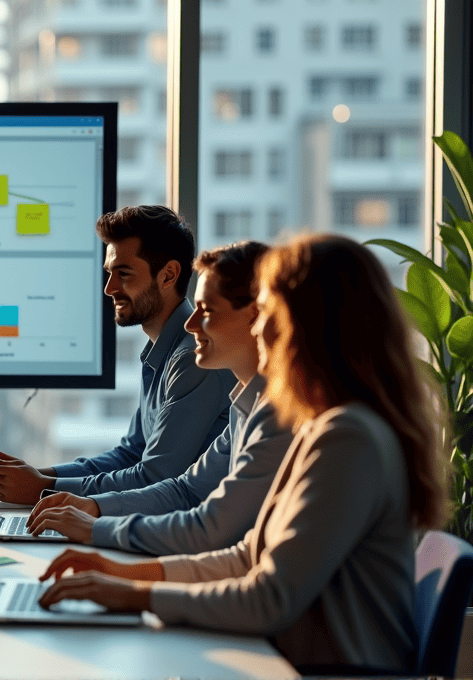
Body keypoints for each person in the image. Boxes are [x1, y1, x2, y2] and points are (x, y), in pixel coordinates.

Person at [37, 234, 448, 674]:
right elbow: (248, 556)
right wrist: (123, 575)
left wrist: (134, 594)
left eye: (267, 312)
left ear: (307, 324)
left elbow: (268, 598)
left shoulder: (348, 438)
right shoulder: (325, 425)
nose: (257, 328)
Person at [25, 241, 295, 555]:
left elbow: (208, 529)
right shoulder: (245, 405)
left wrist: (93, 525)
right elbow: (186, 490)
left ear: (256, 317)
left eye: (206, 311)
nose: (191, 324)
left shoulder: (278, 417)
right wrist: (92, 508)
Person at [0, 206, 236, 503]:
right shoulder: (161, 353)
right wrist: (38, 476)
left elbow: (154, 477)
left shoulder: (192, 358)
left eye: (123, 274)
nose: (109, 288)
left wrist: (42, 487)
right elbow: (129, 454)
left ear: (168, 275)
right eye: (109, 273)